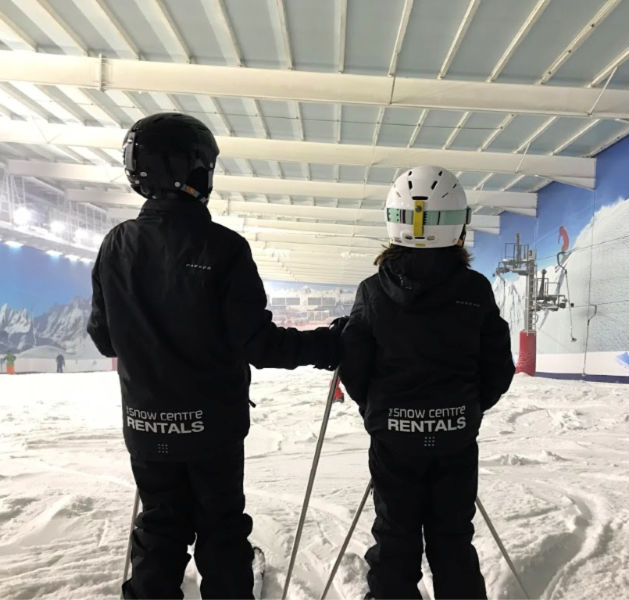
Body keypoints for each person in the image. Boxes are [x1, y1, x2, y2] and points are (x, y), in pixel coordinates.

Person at [86, 112, 343, 599]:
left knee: (161, 527)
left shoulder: (115, 246)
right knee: (220, 531)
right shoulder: (223, 248)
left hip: (146, 425)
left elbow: (105, 338)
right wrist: (328, 344)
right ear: (192, 169)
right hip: (211, 431)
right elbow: (259, 344)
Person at [339, 166, 515, 599]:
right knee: (452, 541)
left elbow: (356, 369)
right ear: (458, 222)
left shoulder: (372, 291)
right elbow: (497, 367)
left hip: (395, 439)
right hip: (454, 437)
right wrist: (463, 410)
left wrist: (384, 414)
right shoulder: (474, 289)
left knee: (396, 540)